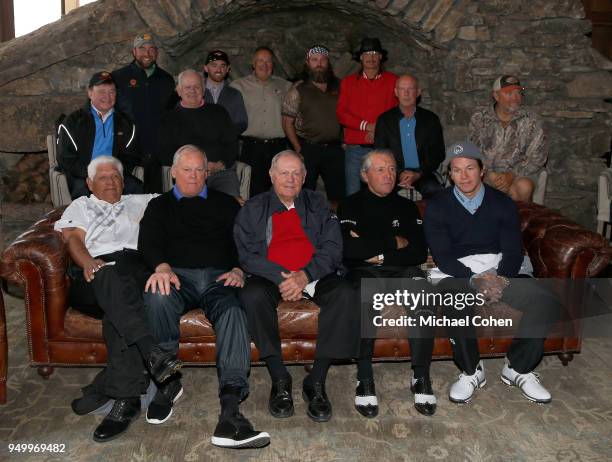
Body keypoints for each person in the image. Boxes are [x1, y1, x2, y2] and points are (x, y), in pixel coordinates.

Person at [139, 145, 269, 449]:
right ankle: (167, 381)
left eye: (200, 170)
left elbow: (246, 242)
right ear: (173, 172)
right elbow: (148, 241)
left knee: (235, 312)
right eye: (187, 169)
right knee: (156, 297)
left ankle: (230, 407)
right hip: (177, 276)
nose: (195, 176)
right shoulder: (159, 206)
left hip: (218, 277)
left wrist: (240, 268)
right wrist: (160, 266)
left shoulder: (226, 204)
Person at [54, 156, 181, 442]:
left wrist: (229, 199)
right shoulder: (81, 206)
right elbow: (73, 239)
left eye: (115, 177)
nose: (110, 182)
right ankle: (152, 354)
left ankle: (122, 395)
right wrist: (87, 261)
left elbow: (184, 191)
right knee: (110, 277)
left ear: (124, 182)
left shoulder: (143, 201)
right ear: (89, 183)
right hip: (95, 273)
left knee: (121, 309)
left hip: (134, 271)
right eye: (103, 177)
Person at [424, 141, 559, 404]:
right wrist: (475, 281)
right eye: (457, 170)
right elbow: (443, 255)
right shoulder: (438, 206)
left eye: (470, 168)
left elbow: (512, 249)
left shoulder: (503, 203)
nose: (464, 176)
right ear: (449, 174)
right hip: (459, 271)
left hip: (499, 267)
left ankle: (518, 368)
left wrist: (498, 279)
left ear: (482, 170)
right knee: (454, 301)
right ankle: (471, 371)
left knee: (545, 300)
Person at [234, 151, 360, 423]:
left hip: (313, 273)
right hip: (271, 276)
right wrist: (281, 278)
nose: (290, 179)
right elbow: (247, 255)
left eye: (296, 174)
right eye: (284, 173)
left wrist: (305, 275)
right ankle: (280, 377)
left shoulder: (318, 203)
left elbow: (333, 247)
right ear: (271, 175)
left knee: (345, 294)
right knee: (252, 295)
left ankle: (316, 380)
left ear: (304, 177)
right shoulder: (253, 208)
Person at [338, 149, 436, 418]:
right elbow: (348, 250)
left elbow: (417, 252)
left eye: (392, 169)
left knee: (423, 293)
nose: (388, 175)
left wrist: (376, 252)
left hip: (403, 271)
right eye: (380, 169)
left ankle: (420, 375)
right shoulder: (349, 205)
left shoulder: (406, 206)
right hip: (364, 273)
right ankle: (365, 376)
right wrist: (394, 242)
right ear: (364, 175)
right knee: (363, 295)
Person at [57, 71, 143, 199]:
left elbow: (131, 155)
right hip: (83, 175)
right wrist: (92, 174)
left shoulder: (126, 123)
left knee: (137, 188)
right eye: (102, 91)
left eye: (112, 91)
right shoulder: (73, 121)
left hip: (114, 172)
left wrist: (113, 173)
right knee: (84, 195)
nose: (107, 96)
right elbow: (65, 157)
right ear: (90, 93)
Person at [158, 69, 240, 198]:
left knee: (230, 203)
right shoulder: (168, 118)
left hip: (219, 173)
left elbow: (232, 145)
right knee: (190, 208)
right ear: (178, 91)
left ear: (203, 90)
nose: (192, 91)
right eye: (188, 87)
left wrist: (221, 164)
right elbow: (164, 152)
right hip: (187, 175)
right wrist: (192, 168)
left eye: (197, 87)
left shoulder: (219, 112)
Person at [112, 33, 177, 192]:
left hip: (157, 149)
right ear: (134, 52)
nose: (147, 53)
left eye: (151, 49)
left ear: (157, 53)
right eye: (142, 48)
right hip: (126, 149)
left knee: (154, 196)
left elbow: (172, 114)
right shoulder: (118, 77)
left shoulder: (167, 80)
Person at [282, 45, 344, 205]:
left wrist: (346, 142)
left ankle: (336, 226)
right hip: (308, 149)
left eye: (323, 60)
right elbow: (287, 122)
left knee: (338, 196)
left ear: (328, 63)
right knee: (303, 194)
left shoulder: (340, 86)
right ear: (308, 63)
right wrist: (298, 149)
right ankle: (304, 226)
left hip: (335, 149)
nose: (319, 63)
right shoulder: (298, 89)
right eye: (315, 60)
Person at [469, 75, 547, 202]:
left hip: (520, 173)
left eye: (518, 93)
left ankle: (516, 221)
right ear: (496, 96)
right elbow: (473, 150)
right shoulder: (480, 119)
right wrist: (490, 175)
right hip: (487, 172)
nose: (516, 98)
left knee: (523, 188)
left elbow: (537, 156)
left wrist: (511, 175)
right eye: (509, 93)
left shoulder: (531, 120)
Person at [336, 37, 398, 196]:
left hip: (382, 148)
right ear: (361, 57)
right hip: (355, 149)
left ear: (381, 57)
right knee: (353, 194)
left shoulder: (393, 81)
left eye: (374, 53)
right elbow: (342, 114)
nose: (371, 58)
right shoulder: (348, 83)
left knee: (383, 192)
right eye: (367, 54)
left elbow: (397, 113)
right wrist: (366, 126)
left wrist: (379, 130)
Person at [230, 47, 292, 197]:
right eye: (260, 60)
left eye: (268, 61)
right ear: (253, 63)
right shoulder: (238, 86)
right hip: (251, 148)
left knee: (280, 191)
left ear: (273, 64)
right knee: (252, 192)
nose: (264, 64)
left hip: (278, 148)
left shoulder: (285, 86)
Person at [374, 75, 445, 198]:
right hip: (392, 175)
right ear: (396, 92)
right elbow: (380, 152)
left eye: (411, 89)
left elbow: (438, 153)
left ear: (418, 92)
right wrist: (399, 173)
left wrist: (418, 173)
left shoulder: (431, 119)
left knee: (439, 195)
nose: (406, 93)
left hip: (423, 175)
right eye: (402, 89)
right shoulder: (384, 120)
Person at [203, 49, 248, 135]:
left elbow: (242, 123)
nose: (219, 70)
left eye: (223, 66)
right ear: (206, 68)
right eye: (214, 65)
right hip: (199, 145)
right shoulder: (197, 92)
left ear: (228, 69)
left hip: (227, 145)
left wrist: (226, 133)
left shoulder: (235, 94)